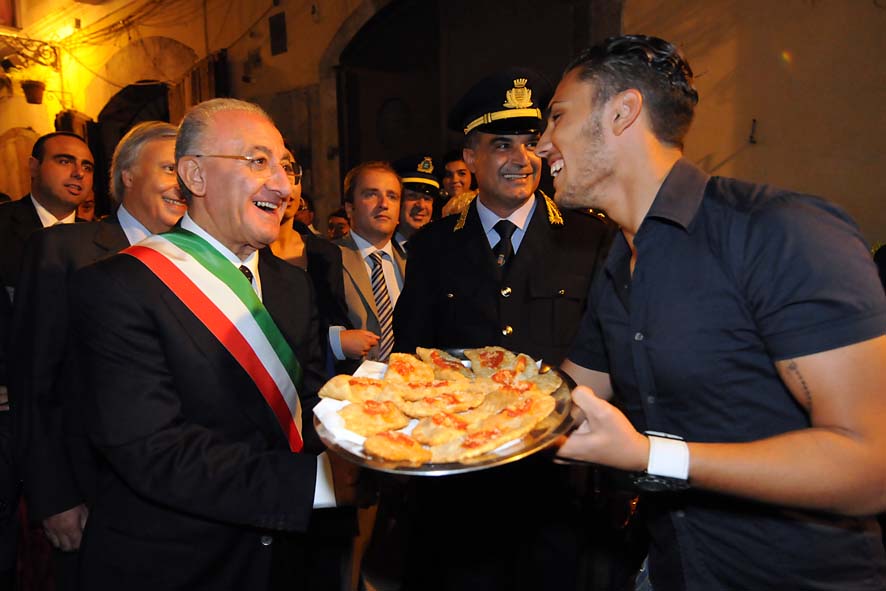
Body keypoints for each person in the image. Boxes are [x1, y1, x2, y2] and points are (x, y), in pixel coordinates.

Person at [537, 35, 886, 590]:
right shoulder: (617, 258)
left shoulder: (781, 232)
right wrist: (446, 406)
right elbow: (567, 397)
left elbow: (869, 468)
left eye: (556, 117)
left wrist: (653, 457)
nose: (541, 144)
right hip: (669, 569)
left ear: (623, 112)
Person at [67, 98, 358, 590]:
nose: (284, 186)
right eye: (257, 161)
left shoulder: (292, 284)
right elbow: (153, 450)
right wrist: (325, 484)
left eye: (286, 166)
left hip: (290, 558)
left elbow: (306, 406)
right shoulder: (118, 287)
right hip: (181, 564)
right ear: (195, 177)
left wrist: (374, 436)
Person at [393, 68, 614, 591]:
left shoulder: (587, 240)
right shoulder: (435, 247)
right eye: (501, 145)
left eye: (530, 143)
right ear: (469, 158)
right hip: (461, 490)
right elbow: (410, 354)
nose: (522, 159)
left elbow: (609, 356)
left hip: (558, 486)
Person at [9, 121, 185, 591]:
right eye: (170, 167)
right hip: (91, 498)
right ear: (128, 174)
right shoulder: (65, 249)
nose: (183, 182)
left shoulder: (199, 260)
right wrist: (53, 496)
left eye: (189, 169)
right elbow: (35, 382)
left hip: (179, 502)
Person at [0, 131, 94, 591]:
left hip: (78, 429)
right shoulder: (3, 228)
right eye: (64, 160)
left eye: (87, 165)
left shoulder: (106, 238)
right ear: (33, 167)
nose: (78, 172)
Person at [333, 161, 404, 366]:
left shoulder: (414, 264)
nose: (384, 203)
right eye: (371, 194)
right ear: (349, 208)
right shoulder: (329, 259)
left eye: (392, 196)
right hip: (349, 388)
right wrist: (336, 341)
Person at [392, 155, 438, 251]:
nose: (421, 205)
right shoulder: (380, 250)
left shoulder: (439, 251)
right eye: (412, 196)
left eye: (427, 198)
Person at [439, 149, 477, 218]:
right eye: (448, 175)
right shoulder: (433, 208)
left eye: (462, 173)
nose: (454, 180)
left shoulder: (481, 204)